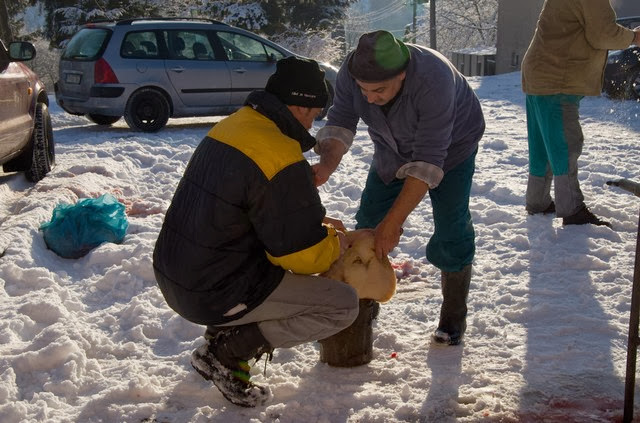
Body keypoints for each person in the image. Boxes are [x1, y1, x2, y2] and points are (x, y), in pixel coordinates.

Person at [152, 56, 360, 408]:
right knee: (342, 305)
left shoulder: (234, 126)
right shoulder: (279, 154)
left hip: (175, 273)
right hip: (213, 290)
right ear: (299, 106)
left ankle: (224, 331)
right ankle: (229, 350)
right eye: (313, 114)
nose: (312, 123)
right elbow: (304, 258)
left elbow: (242, 208)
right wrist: (334, 244)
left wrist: (306, 215)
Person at [313, 30, 485, 346]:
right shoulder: (352, 71)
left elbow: (429, 159)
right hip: (391, 148)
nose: (369, 98)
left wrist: (393, 223)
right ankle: (362, 313)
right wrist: (325, 165)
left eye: (379, 90)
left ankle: (452, 317)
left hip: (452, 150)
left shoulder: (434, 80)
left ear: (402, 74)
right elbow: (341, 120)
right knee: (368, 222)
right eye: (363, 90)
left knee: (451, 226)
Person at [522, 0, 640, 227]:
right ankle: (572, 209)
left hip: (540, 72)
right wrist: (634, 37)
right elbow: (602, 34)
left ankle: (538, 201)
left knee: (543, 144)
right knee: (566, 144)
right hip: (558, 76)